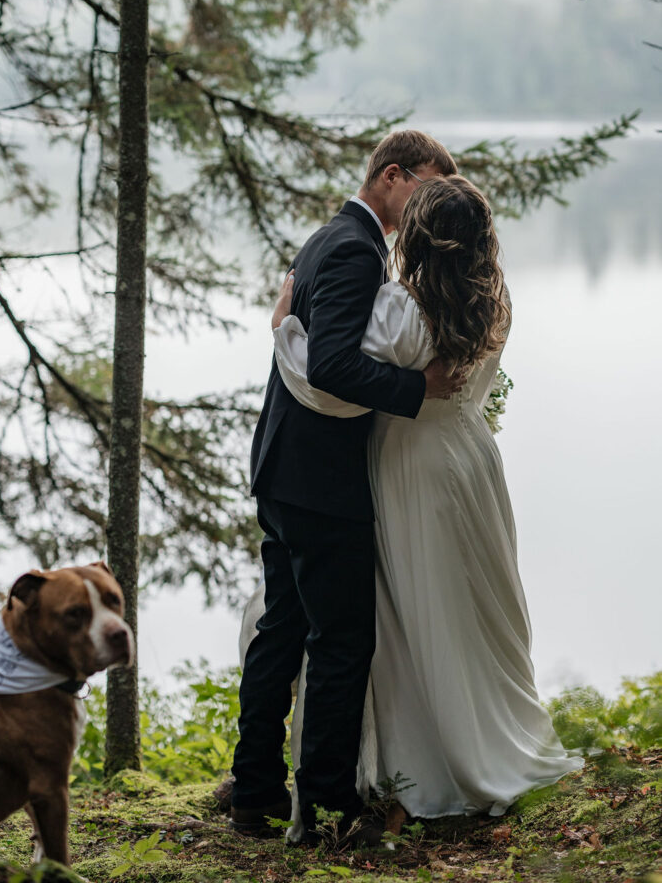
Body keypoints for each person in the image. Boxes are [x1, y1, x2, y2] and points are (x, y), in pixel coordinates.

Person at [268, 174, 583, 838]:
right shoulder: (494, 301)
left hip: (407, 464)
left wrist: (283, 333)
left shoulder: (400, 311)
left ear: (412, 235)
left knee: (419, 611)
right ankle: (496, 736)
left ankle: (434, 763)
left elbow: (331, 386)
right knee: (476, 604)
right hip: (471, 458)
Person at [230, 130, 465, 845]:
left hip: (284, 469)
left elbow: (306, 345)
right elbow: (330, 365)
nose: (429, 201)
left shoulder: (328, 238)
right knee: (340, 642)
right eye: (425, 184)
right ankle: (325, 806)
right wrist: (415, 387)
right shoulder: (355, 249)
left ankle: (258, 794)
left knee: (283, 631)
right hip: (319, 479)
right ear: (390, 176)